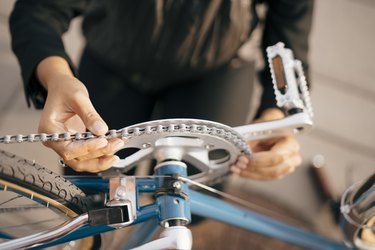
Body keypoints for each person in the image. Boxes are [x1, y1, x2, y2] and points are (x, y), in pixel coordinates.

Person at [9, 0, 313, 180]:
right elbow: (40, 8)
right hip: (114, 55)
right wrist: (56, 76)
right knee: (89, 181)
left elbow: (289, 35)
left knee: (200, 189)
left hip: (215, 67)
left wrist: (276, 115)